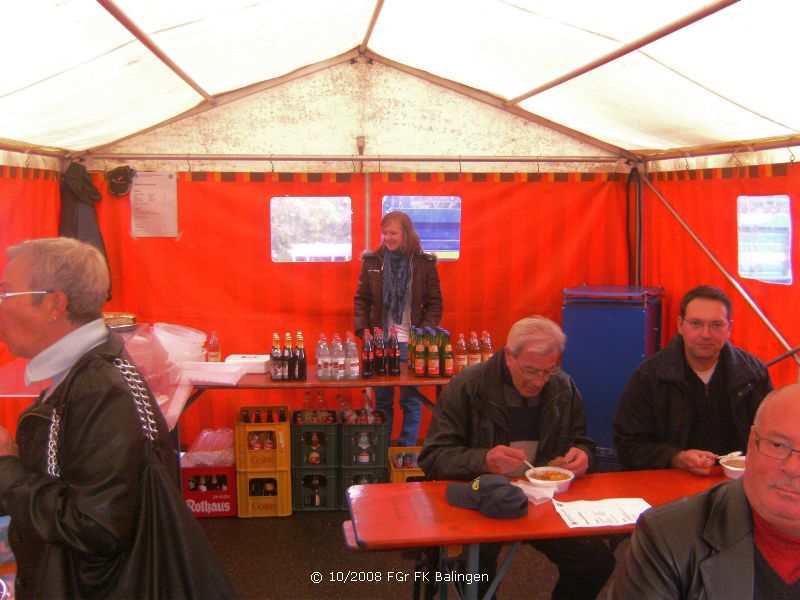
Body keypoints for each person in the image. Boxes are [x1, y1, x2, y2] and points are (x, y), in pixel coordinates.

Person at [0, 238, 234, 598]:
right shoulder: (87, 374)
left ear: (54, 304)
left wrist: (8, 470)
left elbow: (97, 526)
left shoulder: (98, 389)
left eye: (6, 294)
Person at [419, 316, 615, 599]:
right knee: (473, 572)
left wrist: (583, 455)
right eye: (531, 371)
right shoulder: (468, 387)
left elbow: (581, 440)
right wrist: (484, 460)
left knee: (596, 562)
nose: (539, 381)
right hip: (480, 496)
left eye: (548, 371)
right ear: (509, 355)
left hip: (544, 499)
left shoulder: (562, 386)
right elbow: (433, 457)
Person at [608, 383, 800, 599]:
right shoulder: (667, 538)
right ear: (750, 443)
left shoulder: (748, 373)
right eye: (777, 445)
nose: (793, 468)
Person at [613, 285, 773, 474]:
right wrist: (675, 458)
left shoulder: (753, 375)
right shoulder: (649, 377)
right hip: (671, 481)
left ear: (729, 328)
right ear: (680, 325)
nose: (705, 334)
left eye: (716, 324)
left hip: (736, 482)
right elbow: (628, 446)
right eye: (696, 323)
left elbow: (773, 439)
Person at [353, 210, 443, 446]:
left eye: (393, 233)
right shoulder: (372, 261)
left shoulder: (424, 263)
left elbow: (435, 303)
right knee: (382, 401)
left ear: (406, 233)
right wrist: (365, 332)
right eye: (384, 233)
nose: (387, 238)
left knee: (410, 401)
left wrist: (422, 335)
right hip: (381, 343)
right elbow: (361, 300)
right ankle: (382, 450)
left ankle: (406, 452)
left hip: (412, 343)